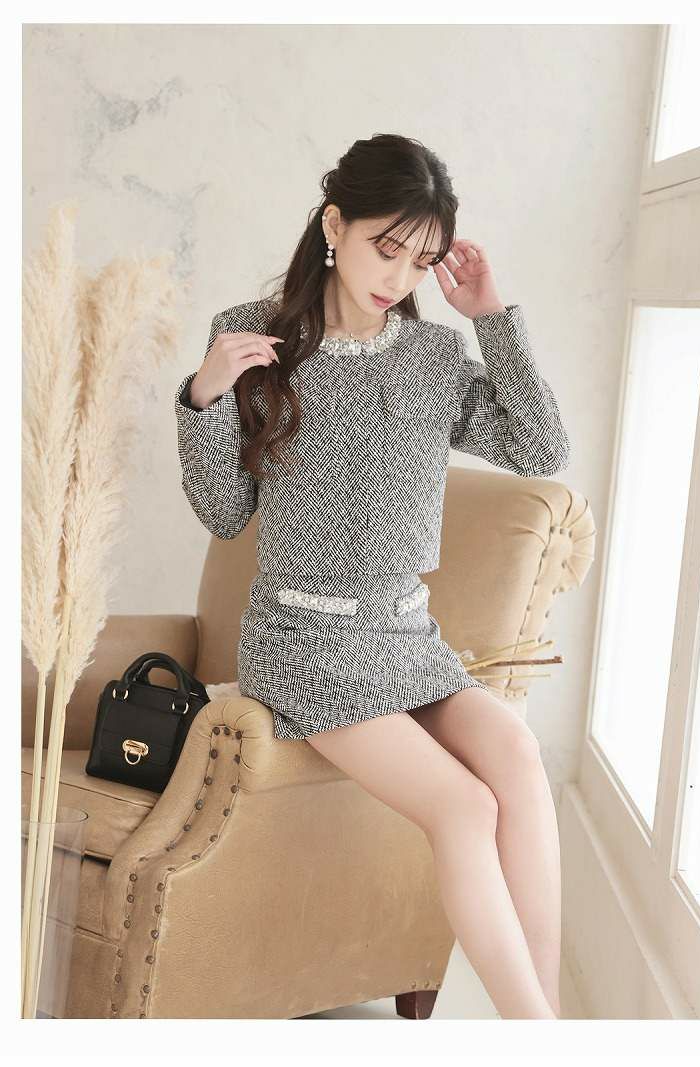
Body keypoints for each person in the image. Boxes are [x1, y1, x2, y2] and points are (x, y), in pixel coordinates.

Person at [174, 133, 570, 1020]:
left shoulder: (433, 357)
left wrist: (490, 317)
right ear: (334, 225)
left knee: (517, 756)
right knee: (464, 807)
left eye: (419, 260)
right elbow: (225, 512)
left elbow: (541, 447)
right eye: (385, 248)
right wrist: (204, 396)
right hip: (303, 642)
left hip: (406, 636)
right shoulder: (255, 338)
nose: (398, 276)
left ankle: (542, 1023)